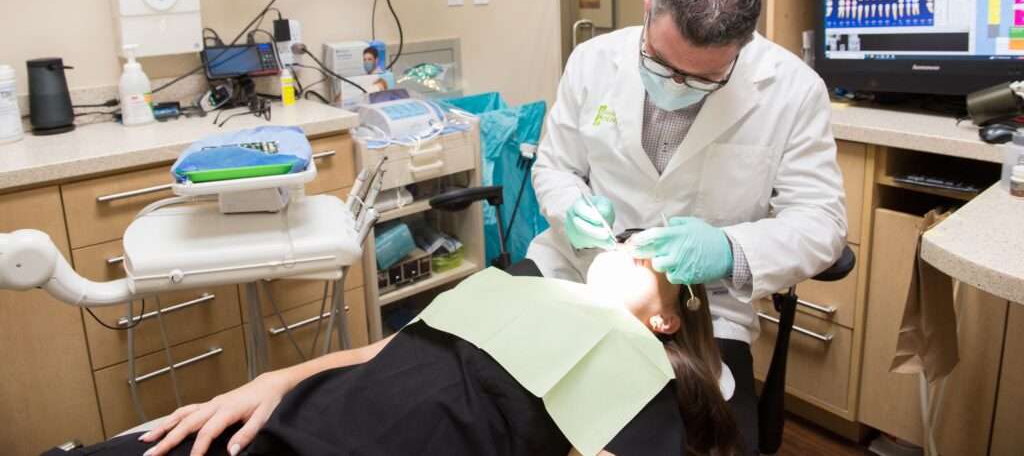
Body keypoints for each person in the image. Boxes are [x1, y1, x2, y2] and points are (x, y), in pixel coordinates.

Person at [527, 0, 847, 454]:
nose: (675, 84)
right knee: (489, 400)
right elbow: (555, 167)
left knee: (692, 442)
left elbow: (822, 222)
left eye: (701, 79)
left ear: (741, 50)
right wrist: (571, 209)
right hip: (573, 270)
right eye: (658, 62)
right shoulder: (593, 61)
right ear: (649, 8)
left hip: (705, 310)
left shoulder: (792, 91)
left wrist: (728, 249)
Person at [52, 256, 738, 456]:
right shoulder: (517, 285)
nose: (633, 244)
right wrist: (270, 381)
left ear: (666, 319)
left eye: (655, 257)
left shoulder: (644, 373)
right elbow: (377, 352)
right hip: (294, 421)